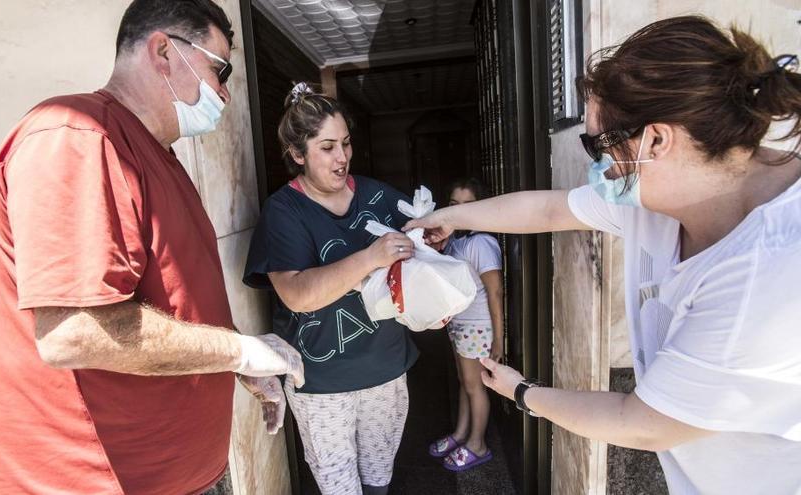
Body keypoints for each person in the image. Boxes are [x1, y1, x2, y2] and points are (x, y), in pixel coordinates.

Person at [406, 16, 801, 494]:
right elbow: (550, 209)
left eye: (598, 144)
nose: (597, 166)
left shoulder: (769, 272)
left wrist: (521, 391)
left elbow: (641, 421)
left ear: (656, 140)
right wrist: (447, 217)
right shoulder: (659, 195)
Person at [0, 1, 304, 493]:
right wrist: (238, 351)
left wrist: (233, 360)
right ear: (163, 51)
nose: (224, 91)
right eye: (219, 69)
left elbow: (174, 297)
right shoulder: (78, 136)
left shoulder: (158, 155)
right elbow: (72, 332)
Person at [244, 83, 419, 495]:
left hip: (387, 372)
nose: (342, 158)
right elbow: (298, 294)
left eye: (345, 143)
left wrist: (431, 255)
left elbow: (419, 241)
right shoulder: (283, 212)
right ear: (298, 154)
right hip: (321, 383)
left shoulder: (378, 196)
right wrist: (372, 257)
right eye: (327, 147)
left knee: (379, 480)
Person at [428, 178, 505, 472]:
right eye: (453, 205)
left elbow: (496, 292)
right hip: (462, 326)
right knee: (466, 383)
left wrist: (499, 339)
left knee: (475, 387)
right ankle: (461, 434)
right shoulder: (457, 242)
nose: (459, 212)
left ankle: (478, 444)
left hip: (478, 328)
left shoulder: (482, 243)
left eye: (468, 206)